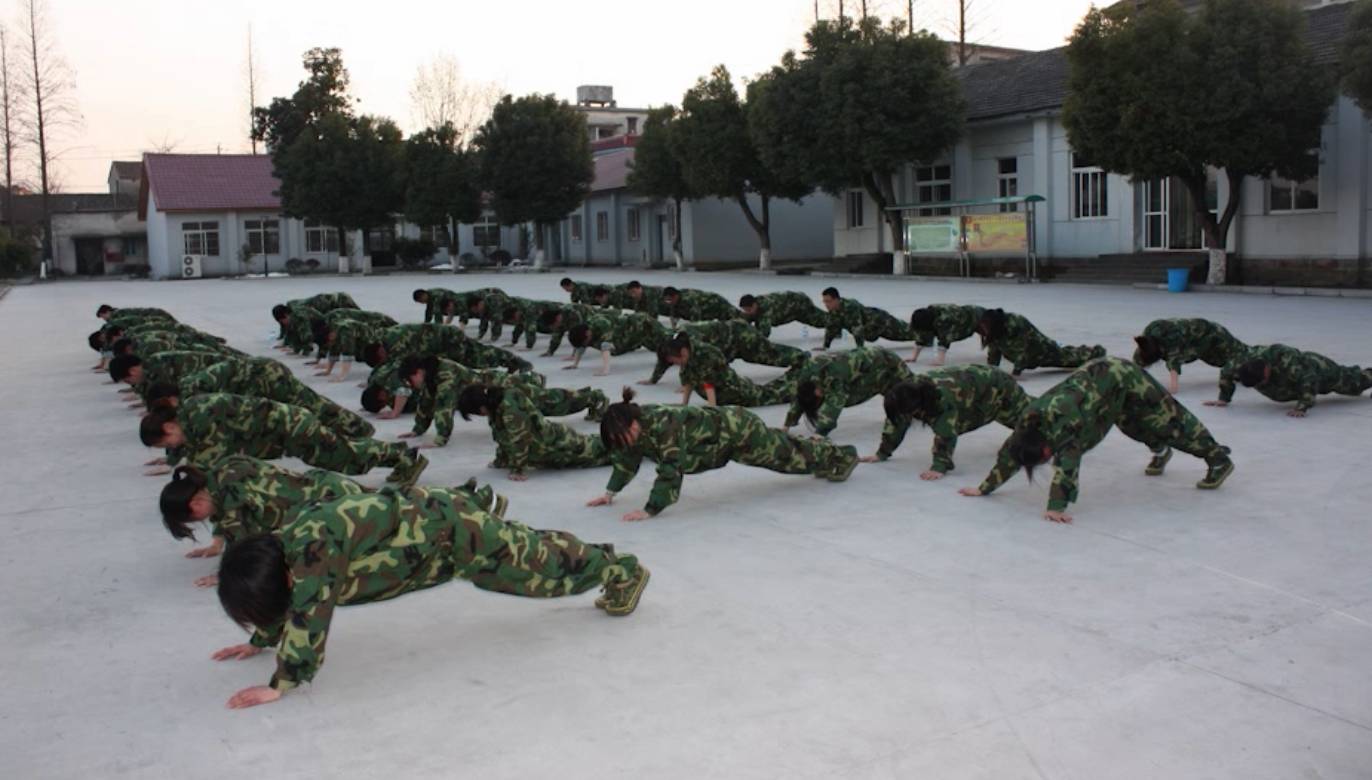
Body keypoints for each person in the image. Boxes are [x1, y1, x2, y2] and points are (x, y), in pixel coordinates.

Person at [211, 485, 650, 708]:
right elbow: (291, 602)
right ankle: (496, 514)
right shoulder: (285, 551)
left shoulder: (312, 554)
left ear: (283, 577)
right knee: (530, 559)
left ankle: (623, 571)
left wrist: (281, 684)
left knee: (542, 571)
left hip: (453, 533)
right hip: (437, 543)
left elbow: (308, 616)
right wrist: (260, 639)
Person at [958, 357, 1234, 523]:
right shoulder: (1026, 426)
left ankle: (1218, 459)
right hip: (1102, 393)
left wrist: (1055, 508)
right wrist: (984, 488)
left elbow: (1067, 468)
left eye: (1045, 457)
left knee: (1169, 422)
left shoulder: (1065, 425)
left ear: (1046, 447)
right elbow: (1010, 455)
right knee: (1132, 425)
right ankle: (1161, 451)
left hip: (1122, 376)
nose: (1047, 460)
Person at [160, 456, 508, 573]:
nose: (202, 521)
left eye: (195, 519)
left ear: (195, 505)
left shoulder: (230, 495)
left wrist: (227, 569)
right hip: (323, 489)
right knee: (401, 502)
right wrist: (216, 544)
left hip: (330, 501)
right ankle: (470, 497)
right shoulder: (221, 476)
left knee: (407, 513)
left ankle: (477, 501)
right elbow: (227, 518)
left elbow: (243, 541)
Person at [587, 389, 860, 520]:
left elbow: (671, 468)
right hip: (721, 443)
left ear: (633, 423)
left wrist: (649, 510)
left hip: (738, 429)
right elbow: (626, 459)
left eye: (625, 435)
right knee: (787, 454)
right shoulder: (634, 430)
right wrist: (610, 493)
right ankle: (821, 453)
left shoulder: (663, 424)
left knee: (787, 458)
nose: (625, 441)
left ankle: (842, 456)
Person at [139, 393, 428, 484]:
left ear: (169, 427)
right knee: (344, 456)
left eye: (166, 444)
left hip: (293, 427)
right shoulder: (189, 419)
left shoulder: (200, 417)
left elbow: (214, 463)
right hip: (285, 434)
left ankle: (404, 456)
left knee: (346, 457)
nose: (170, 448)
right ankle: (399, 455)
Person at [861, 365, 1031, 479]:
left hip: (997, 385)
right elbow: (896, 422)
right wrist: (882, 453)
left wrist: (939, 466)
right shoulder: (904, 394)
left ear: (916, 408)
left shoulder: (940, 401)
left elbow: (946, 434)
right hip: (971, 383)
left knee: (1026, 422)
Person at [146, 355, 375, 438]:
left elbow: (196, 425)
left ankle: (358, 427)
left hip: (268, 376)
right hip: (258, 382)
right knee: (305, 409)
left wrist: (172, 459)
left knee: (312, 406)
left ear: (169, 397)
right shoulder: (186, 391)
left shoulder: (194, 391)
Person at [397, 355, 586, 447]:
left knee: (551, 404)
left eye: (410, 380)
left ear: (418, 372)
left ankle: (589, 398)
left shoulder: (445, 374)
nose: (411, 385)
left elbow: (443, 406)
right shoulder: (431, 376)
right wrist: (418, 429)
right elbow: (427, 401)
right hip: (491, 388)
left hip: (503, 386)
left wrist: (440, 439)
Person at [458, 385, 611, 480]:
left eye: (476, 412)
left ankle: (622, 439)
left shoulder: (510, 409)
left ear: (481, 407)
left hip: (559, 445)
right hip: (545, 450)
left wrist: (517, 470)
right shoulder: (495, 406)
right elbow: (501, 435)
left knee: (601, 451)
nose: (480, 415)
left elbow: (520, 439)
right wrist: (501, 460)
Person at [1206, 344, 1372, 417]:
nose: (1261, 387)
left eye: (1261, 383)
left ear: (1266, 370)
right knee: (1281, 391)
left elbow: (1309, 379)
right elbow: (1226, 373)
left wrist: (1302, 406)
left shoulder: (1289, 362)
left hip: (1318, 369)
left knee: (1353, 384)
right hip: (1290, 378)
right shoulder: (1238, 364)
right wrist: (1224, 398)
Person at [783, 346, 914, 436]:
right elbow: (799, 399)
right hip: (866, 368)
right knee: (887, 390)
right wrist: (787, 425)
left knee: (912, 391)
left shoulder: (833, 377)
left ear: (817, 390)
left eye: (819, 395)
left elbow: (832, 409)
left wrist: (819, 434)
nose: (821, 396)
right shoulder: (806, 376)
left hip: (888, 361)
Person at [659, 334, 800, 407]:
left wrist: (712, 407)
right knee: (769, 390)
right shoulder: (686, 358)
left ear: (682, 352)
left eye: (674, 360)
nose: (675, 364)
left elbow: (708, 383)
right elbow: (688, 380)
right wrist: (684, 404)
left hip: (738, 392)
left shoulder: (706, 353)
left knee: (772, 396)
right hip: (724, 396)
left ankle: (799, 385)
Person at [1133, 318, 1249, 394]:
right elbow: (1137, 359)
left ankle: (1250, 368)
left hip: (1212, 333)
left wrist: (1173, 388)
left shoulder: (1172, 340)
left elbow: (1174, 364)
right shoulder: (1148, 335)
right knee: (1216, 360)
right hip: (1194, 342)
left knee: (1232, 357)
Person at [977, 308, 1105, 376]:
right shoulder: (995, 330)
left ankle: (1095, 352)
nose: (984, 330)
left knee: (1068, 359)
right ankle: (1083, 350)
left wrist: (1016, 372)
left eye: (985, 326)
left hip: (1042, 350)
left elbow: (1025, 348)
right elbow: (993, 351)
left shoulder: (1016, 323)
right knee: (1066, 353)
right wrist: (991, 371)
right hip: (1030, 357)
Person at [310, 311, 399, 379]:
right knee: (360, 356)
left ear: (330, 335)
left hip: (377, 331)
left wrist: (342, 375)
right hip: (363, 338)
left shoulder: (345, 331)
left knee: (377, 356)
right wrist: (328, 371)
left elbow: (347, 355)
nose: (330, 344)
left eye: (329, 342)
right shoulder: (333, 332)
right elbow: (334, 350)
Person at [819, 287, 913, 349]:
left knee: (907, 332)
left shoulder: (850, 306)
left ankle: (921, 329)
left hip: (881, 321)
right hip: (872, 328)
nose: (826, 304)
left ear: (836, 300)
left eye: (828, 301)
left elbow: (857, 327)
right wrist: (825, 346)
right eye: (824, 302)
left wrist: (860, 349)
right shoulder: (833, 311)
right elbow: (831, 327)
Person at [907, 304, 986, 365]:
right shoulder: (926, 315)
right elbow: (922, 335)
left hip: (978, 316)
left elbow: (945, 340)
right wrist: (914, 357)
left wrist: (940, 360)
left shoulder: (945, 318)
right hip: (964, 317)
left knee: (991, 341)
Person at [738, 292, 828, 338]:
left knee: (819, 322)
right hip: (790, 310)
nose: (747, 312)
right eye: (745, 310)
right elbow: (743, 321)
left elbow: (764, 332)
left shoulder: (766, 309)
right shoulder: (755, 306)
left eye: (749, 310)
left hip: (799, 304)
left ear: (754, 304)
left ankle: (834, 321)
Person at [661, 286, 738, 326]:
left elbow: (696, 322)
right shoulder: (674, 302)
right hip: (706, 310)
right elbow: (674, 316)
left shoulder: (688, 300)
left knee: (736, 318)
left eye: (669, 300)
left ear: (675, 296)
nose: (668, 302)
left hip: (717, 304)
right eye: (666, 300)